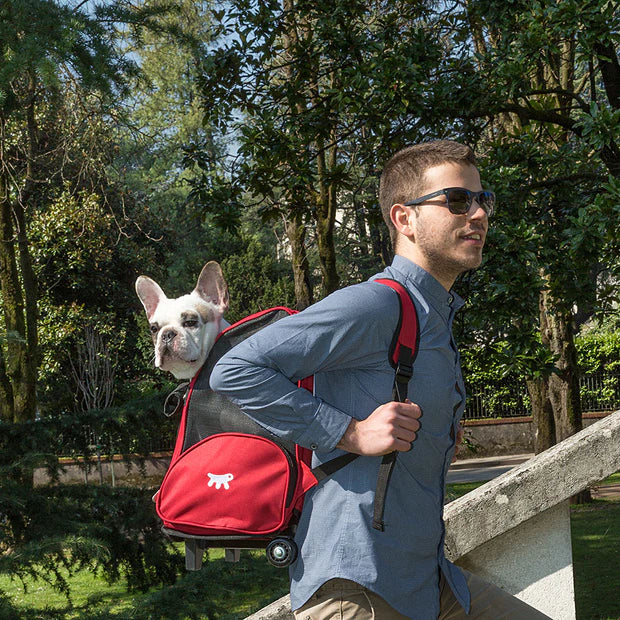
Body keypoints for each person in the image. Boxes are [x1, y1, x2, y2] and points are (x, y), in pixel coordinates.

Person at [210, 140, 549, 619]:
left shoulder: (435, 315)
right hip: (358, 589)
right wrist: (351, 433)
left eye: (482, 200)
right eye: (456, 200)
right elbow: (235, 370)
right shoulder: (376, 305)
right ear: (403, 218)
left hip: (426, 578)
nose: (477, 214)